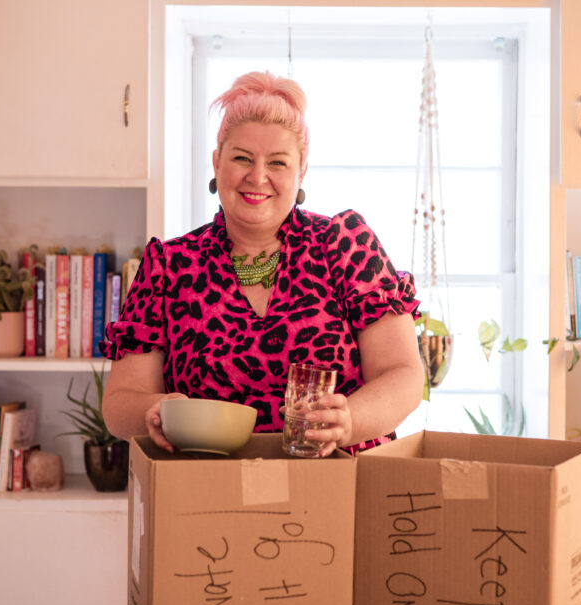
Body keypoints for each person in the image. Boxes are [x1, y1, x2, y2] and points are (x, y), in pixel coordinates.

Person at [101, 71, 423, 456]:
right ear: (217, 163)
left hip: (343, 487)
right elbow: (121, 402)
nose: (258, 177)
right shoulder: (168, 266)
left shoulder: (345, 244)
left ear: (301, 170)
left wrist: (349, 419)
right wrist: (151, 410)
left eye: (277, 163)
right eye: (242, 158)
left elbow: (402, 375)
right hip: (206, 496)